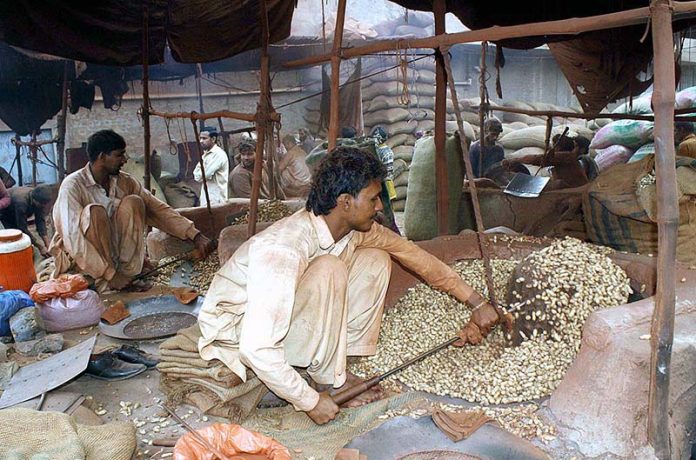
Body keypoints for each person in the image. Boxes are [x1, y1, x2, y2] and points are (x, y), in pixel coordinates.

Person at [197, 146, 508, 425]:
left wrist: (477, 302)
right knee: (329, 270)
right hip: (240, 335)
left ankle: (337, 367)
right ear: (345, 202)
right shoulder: (284, 249)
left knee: (375, 259)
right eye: (372, 198)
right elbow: (257, 347)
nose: (379, 208)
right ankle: (325, 381)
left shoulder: (354, 231)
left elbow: (417, 257)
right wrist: (309, 402)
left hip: (283, 325)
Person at [49, 130, 215, 292]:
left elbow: (157, 208)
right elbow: (73, 238)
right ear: (101, 157)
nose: (125, 159)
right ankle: (105, 281)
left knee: (134, 202)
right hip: (87, 261)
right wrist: (110, 274)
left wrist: (194, 234)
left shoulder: (124, 181)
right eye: (119, 155)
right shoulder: (72, 186)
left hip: (115, 256)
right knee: (95, 213)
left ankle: (129, 275)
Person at [504, 133, 589, 190]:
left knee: (557, 184)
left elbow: (537, 159)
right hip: (574, 190)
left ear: (558, 147)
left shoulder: (565, 156)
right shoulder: (568, 158)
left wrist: (515, 160)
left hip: (575, 193)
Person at [1, 185, 55, 257]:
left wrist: (48, 245)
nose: (43, 207)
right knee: (16, 237)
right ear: (34, 200)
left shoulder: (39, 198)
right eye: (41, 205)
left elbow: (40, 222)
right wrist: (40, 247)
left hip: (17, 208)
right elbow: (22, 228)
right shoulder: (21, 203)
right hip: (6, 214)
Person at [193, 127, 229, 207]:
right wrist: (201, 174)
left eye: (204, 138)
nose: (201, 141)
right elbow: (196, 175)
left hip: (216, 198)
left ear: (213, 139)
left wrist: (202, 174)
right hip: (207, 196)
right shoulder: (206, 155)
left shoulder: (219, 154)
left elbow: (205, 175)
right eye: (200, 138)